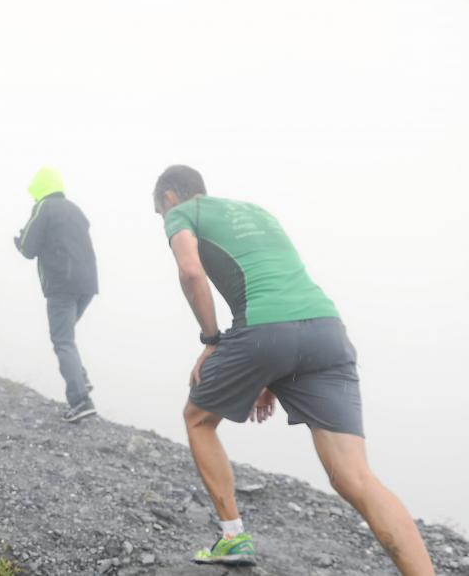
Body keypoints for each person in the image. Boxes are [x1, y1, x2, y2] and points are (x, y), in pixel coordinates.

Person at [154, 165, 433, 574]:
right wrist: (269, 374)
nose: (163, 220)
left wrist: (212, 342)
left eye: (160, 213)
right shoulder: (257, 212)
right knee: (356, 478)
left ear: (169, 198)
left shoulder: (182, 213)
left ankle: (232, 537)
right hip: (327, 330)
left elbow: (191, 271)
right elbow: (278, 287)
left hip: (265, 330)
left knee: (197, 418)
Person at [14, 166, 98, 423]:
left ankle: (80, 400)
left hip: (62, 284)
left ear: (40, 187)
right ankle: (80, 379)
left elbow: (29, 247)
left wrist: (18, 241)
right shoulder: (75, 209)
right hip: (87, 285)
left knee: (62, 340)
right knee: (66, 338)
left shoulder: (44, 207)